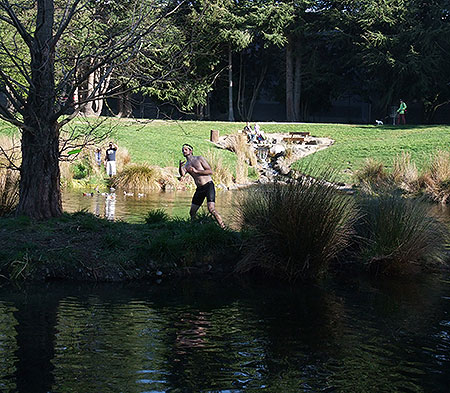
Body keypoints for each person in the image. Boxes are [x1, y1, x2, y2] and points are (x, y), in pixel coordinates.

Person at [178, 143, 225, 228]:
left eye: (185, 149)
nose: (183, 151)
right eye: (182, 150)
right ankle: (193, 228)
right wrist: (180, 167)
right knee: (192, 212)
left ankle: (223, 227)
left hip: (208, 186)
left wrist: (197, 171)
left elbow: (210, 171)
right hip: (199, 189)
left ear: (191, 151)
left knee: (211, 209)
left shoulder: (199, 159)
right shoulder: (186, 165)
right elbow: (182, 175)